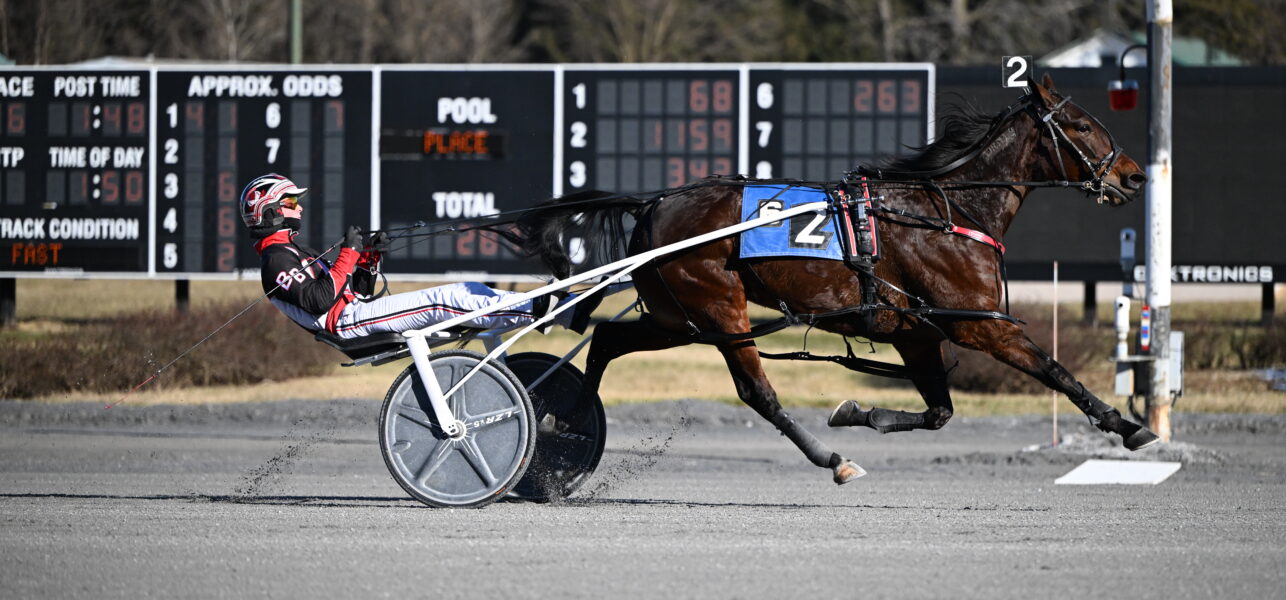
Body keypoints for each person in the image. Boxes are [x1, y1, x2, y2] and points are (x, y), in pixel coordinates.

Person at [239, 173, 598, 340]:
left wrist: (366, 260)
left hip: (355, 311)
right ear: (268, 212)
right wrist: (349, 251)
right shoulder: (275, 260)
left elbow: (355, 289)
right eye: (289, 202)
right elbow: (319, 301)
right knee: (448, 299)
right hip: (347, 323)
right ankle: (547, 310)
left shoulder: (290, 251)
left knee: (466, 290)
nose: (297, 207)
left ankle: (555, 308)